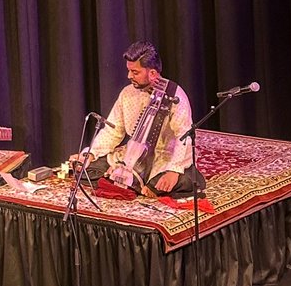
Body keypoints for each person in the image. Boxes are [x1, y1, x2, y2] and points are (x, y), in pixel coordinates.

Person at [71, 40, 204, 196]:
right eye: (129, 71)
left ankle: (155, 181)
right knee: (85, 172)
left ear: (152, 73)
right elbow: (113, 130)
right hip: (133, 156)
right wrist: (92, 153)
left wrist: (174, 171)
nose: (129, 76)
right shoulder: (127, 93)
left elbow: (184, 136)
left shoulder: (174, 96)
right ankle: (132, 182)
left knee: (173, 183)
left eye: (135, 72)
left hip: (164, 157)